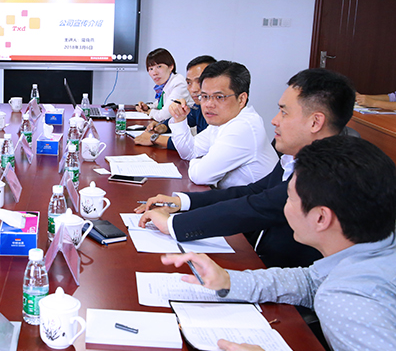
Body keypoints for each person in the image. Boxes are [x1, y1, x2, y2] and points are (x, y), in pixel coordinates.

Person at [161, 135, 396, 351]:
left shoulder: (350, 300)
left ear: (321, 218)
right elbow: (312, 281)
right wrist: (229, 281)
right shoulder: (374, 250)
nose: (285, 207)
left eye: (291, 198)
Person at [137, 68, 355, 268]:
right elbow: (252, 192)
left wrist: (174, 224)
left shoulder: (324, 175)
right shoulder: (295, 157)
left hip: (281, 273)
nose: (274, 120)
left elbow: (257, 207)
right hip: (256, 252)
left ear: (315, 122)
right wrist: (183, 202)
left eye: (284, 112)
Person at [164, 61, 277, 189]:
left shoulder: (243, 127)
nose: (209, 104)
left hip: (251, 200)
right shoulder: (222, 121)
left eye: (219, 97)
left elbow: (200, 175)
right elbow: (189, 152)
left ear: (241, 99)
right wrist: (179, 119)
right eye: (204, 96)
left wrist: (202, 160)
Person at [134, 55, 214, 149]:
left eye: (200, 81)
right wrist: (163, 127)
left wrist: (154, 138)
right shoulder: (199, 107)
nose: (193, 89)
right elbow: (188, 118)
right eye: (189, 82)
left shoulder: (219, 111)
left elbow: (197, 144)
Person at [134, 48, 193, 122]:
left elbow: (163, 116)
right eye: (151, 69)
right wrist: (147, 107)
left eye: (159, 66)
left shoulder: (179, 83)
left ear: (171, 67)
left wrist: (148, 112)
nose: (154, 73)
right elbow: (162, 104)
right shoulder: (165, 84)